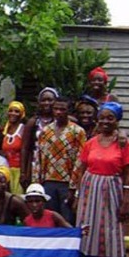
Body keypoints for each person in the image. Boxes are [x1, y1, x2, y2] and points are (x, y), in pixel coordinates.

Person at [74, 102, 129, 257]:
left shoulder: (123, 143)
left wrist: (126, 199)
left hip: (112, 191)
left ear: (117, 121)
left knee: (111, 232)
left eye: (110, 118)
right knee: (88, 230)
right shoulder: (91, 142)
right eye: (102, 117)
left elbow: (128, 171)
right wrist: (77, 194)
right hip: (89, 191)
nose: (105, 121)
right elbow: (82, 168)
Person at [33, 96, 86, 224]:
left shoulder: (77, 132)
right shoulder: (46, 131)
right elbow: (39, 158)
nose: (58, 112)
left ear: (68, 111)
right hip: (48, 181)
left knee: (66, 219)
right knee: (49, 218)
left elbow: (79, 161)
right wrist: (36, 183)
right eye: (56, 109)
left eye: (62, 109)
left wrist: (74, 188)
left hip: (67, 184)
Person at [21, 183, 73, 257]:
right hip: (36, 252)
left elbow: (68, 229)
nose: (34, 204)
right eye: (31, 201)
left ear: (44, 202)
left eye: (38, 201)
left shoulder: (53, 215)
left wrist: (79, 232)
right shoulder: (27, 220)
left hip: (51, 253)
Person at [21, 87, 58, 189]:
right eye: (43, 100)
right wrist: (23, 172)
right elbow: (25, 148)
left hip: (55, 166)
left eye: (50, 100)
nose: (46, 103)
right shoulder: (33, 122)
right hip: (36, 164)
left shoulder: (60, 123)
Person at [0, 100, 26, 194]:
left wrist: (24, 172)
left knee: (18, 195)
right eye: (11, 110)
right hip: (6, 169)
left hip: (19, 170)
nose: (13, 113)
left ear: (21, 114)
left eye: (16, 111)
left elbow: (26, 150)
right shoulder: (5, 129)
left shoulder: (23, 129)